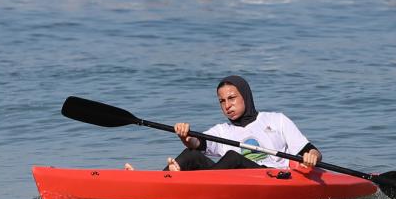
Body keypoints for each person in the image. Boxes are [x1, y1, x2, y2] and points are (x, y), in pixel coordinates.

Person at [125, 75, 322, 172]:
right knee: (191, 155)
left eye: (232, 98)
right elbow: (197, 143)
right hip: (231, 180)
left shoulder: (277, 120)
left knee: (233, 156)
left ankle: (192, 184)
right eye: (222, 101)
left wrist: (311, 157)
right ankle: (161, 182)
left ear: (245, 96)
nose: (227, 105)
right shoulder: (221, 130)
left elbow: (311, 150)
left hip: (269, 177)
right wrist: (185, 136)